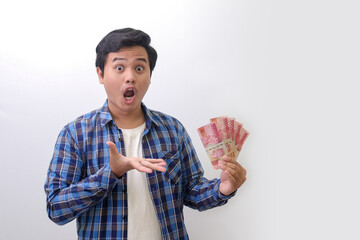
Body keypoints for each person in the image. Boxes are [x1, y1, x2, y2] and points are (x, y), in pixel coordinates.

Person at [44, 28, 247, 240]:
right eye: (119, 67)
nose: (130, 77)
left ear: (150, 76)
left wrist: (223, 188)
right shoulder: (76, 134)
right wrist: (111, 173)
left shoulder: (172, 130)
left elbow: (192, 191)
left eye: (140, 68)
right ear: (100, 74)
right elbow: (56, 209)